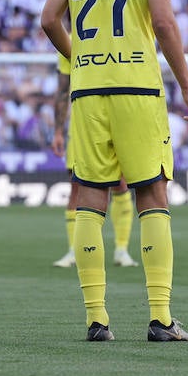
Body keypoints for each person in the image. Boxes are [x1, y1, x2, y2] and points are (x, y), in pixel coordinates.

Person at [39, 0, 188, 343]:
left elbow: (50, 18)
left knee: (89, 199)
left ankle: (97, 319)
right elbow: (163, 21)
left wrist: (81, 58)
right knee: (152, 194)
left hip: (87, 91)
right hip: (136, 86)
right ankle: (159, 318)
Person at [50, 50, 139, 269]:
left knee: (121, 183)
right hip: (85, 121)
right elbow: (63, 89)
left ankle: (121, 250)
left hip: (120, 117)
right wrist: (58, 131)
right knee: (77, 186)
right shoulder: (71, 39)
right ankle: (74, 250)